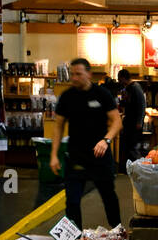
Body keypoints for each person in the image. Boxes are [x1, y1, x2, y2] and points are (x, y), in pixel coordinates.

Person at [52, 57, 122, 229]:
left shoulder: (102, 94)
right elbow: (58, 127)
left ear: (88, 74)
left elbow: (117, 122)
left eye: (78, 74)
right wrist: (54, 155)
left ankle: (118, 232)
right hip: (76, 157)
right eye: (72, 74)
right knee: (73, 202)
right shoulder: (66, 97)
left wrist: (106, 140)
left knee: (109, 197)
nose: (74, 78)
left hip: (100, 156)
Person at [117, 68, 146, 170]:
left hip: (134, 122)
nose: (119, 82)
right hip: (129, 121)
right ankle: (130, 168)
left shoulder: (135, 87)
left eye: (119, 79)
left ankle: (140, 168)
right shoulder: (128, 88)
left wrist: (139, 121)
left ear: (124, 78)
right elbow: (127, 103)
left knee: (133, 146)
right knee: (128, 145)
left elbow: (142, 105)